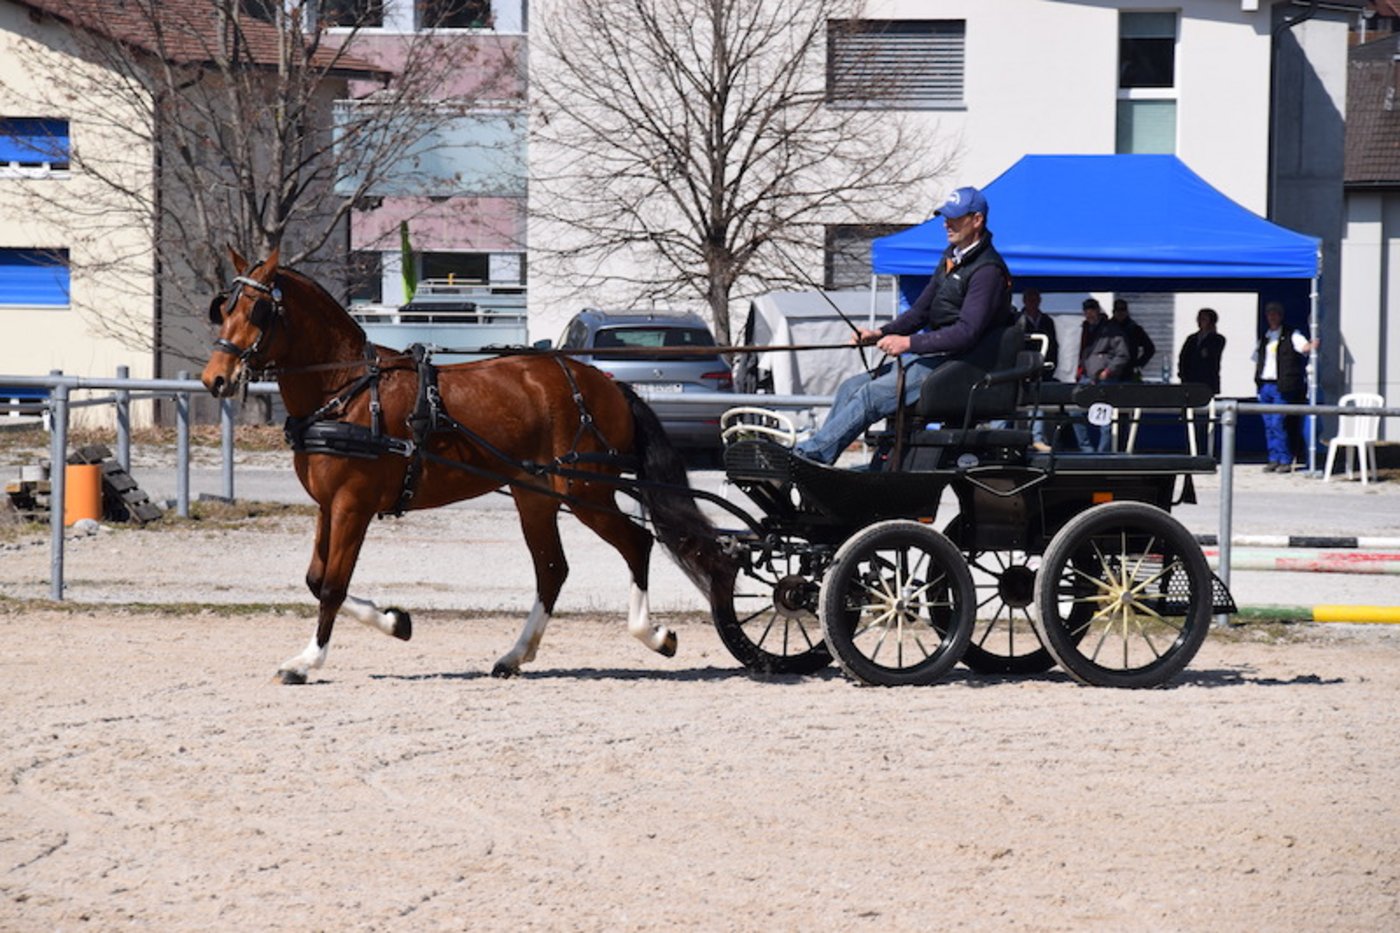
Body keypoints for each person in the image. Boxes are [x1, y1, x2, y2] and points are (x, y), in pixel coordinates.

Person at [793, 185, 1015, 464]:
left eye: (955, 217)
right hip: (939, 360)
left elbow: (966, 333)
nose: (946, 223)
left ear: (977, 220)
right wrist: (880, 334)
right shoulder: (951, 259)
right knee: (851, 387)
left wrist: (908, 343)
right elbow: (920, 312)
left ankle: (809, 455)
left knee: (874, 394)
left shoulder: (987, 271)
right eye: (945, 216)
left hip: (964, 367)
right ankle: (817, 463)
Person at [1252, 301, 1317, 473]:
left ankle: (1285, 458)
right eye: (1269, 314)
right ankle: (1273, 458)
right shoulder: (1265, 337)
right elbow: (1256, 358)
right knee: (1268, 424)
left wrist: (1313, 343)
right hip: (1265, 385)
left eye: (1275, 313)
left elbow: (1305, 348)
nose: (1272, 316)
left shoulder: (1291, 334)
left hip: (1282, 385)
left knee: (1278, 422)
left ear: (1280, 316)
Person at [1071, 298, 1129, 453]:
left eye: (1092, 310)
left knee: (1105, 418)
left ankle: (1103, 452)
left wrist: (1108, 371)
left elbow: (1122, 355)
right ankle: (1086, 449)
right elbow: (1084, 353)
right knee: (1075, 410)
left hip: (1106, 380)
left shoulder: (1111, 329)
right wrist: (1079, 371)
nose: (1089, 314)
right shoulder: (1085, 328)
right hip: (1086, 378)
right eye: (1086, 310)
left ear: (1098, 311)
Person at [1178, 308, 1226, 456]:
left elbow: (1211, 357)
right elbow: (1183, 358)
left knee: (1203, 420)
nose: (1200, 322)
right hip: (1189, 384)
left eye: (1204, 319)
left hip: (1206, 384)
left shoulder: (1217, 339)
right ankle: (1190, 448)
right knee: (1189, 419)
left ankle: (1202, 450)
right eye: (1199, 319)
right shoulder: (1191, 339)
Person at [1017, 288, 1059, 451]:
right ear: (1024, 301)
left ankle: (1036, 437)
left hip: (1041, 370)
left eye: (1036, 299)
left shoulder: (1047, 321)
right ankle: (1002, 435)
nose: (1033, 303)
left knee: (1037, 402)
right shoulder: (1017, 320)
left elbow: (1054, 346)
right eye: (1030, 300)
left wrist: (1050, 367)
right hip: (1021, 369)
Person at [1111, 298, 1156, 381]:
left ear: (1127, 312)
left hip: (1129, 372)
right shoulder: (1107, 328)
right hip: (1111, 371)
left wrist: (1138, 364)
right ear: (1113, 312)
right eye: (1117, 310)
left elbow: (1150, 348)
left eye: (1123, 310)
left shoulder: (1135, 329)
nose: (1120, 313)